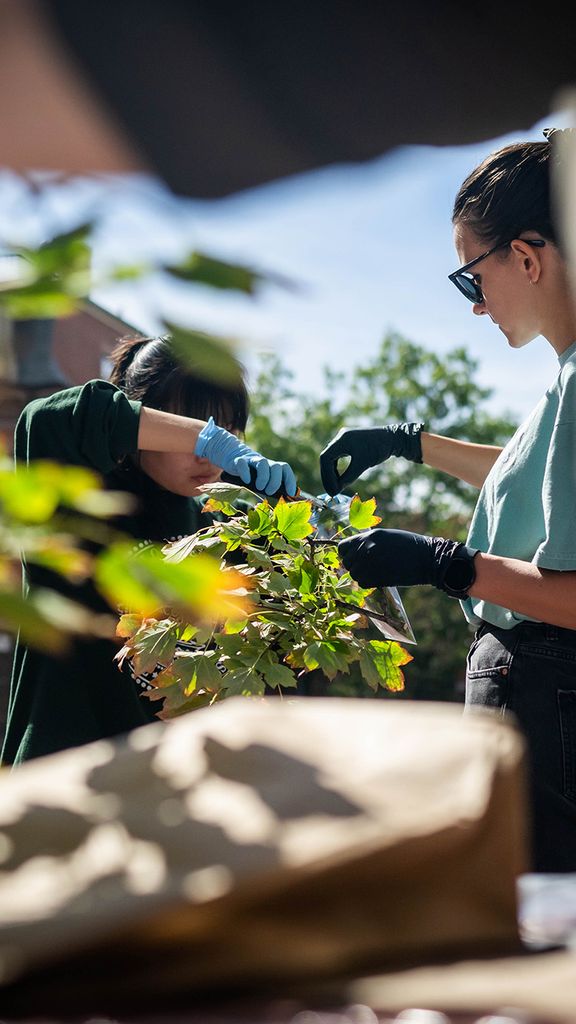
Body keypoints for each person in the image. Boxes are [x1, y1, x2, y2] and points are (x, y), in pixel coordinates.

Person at [319, 129, 576, 873]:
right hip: (543, 696)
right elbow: (531, 480)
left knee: (539, 924)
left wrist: (448, 565)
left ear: (525, 258)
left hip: (550, 694)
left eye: (472, 278)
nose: (475, 305)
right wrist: (407, 443)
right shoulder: (565, 377)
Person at [2, 334, 298, 766]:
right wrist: (206, 438)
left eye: (229, 428)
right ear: (142, 414)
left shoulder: (215, 534)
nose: (208, 453)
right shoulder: (82, 493)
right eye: (192, 425)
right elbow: (44, 418)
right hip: (61, 779)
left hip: (164, 795)